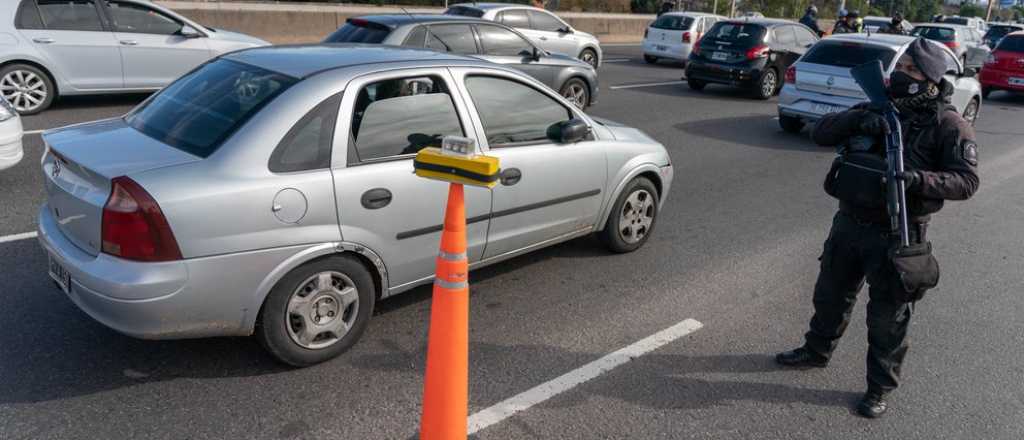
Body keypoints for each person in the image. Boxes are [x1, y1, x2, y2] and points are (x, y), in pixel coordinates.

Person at [775, 37, 980, 419]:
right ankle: (816, 351)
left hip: (898, 235)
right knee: (830, 296)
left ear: (931, 81)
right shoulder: (879, 106)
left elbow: (966, 182)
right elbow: (820, 133)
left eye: (912, 71)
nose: (902, 76)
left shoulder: (948, 124)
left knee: (888, 319)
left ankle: (878, 388)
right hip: (849, 223)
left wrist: (917, 179)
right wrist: (856, 118)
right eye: (901, 69)